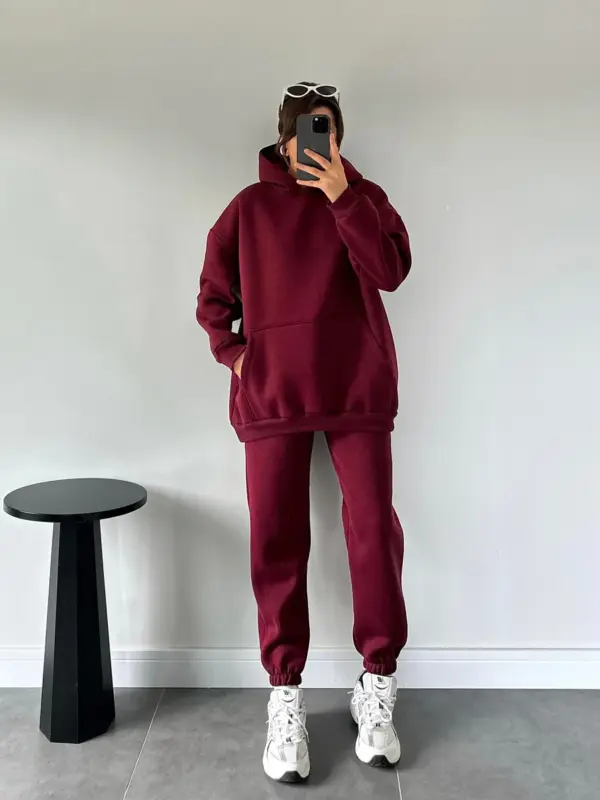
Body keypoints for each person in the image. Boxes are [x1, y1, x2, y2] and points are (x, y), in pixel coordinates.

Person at [196, 82, 411, 783]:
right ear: (283, 140)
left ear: (339, 140)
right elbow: (212, 299)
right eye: (306, 133)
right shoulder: (248, 209)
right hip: (274, 395)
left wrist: (345, 197)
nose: (318, 146)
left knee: (373, 531)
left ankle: (376, 684)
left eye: (329, 132)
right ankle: (284, 694)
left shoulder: (365, 198)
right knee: (276, 541)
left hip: (356, 388)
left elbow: (390, 272)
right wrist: (236, 354)